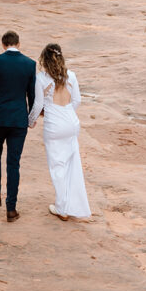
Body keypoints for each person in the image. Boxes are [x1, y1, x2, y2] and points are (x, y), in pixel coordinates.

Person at [28, 42, 91, 221]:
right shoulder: (71, 75)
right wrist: (67, 112)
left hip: (54, 125)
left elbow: (38, 104)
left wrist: (31, 120)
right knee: (72, 164)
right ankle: (73, 205)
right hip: (71, 122)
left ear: (44, 60)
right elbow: (77, 100)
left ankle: (62, 208)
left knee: (57, 166)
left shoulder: (41, 78)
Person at [0, 30, 36, 222]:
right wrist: (31, 118)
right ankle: (11, 209)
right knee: (14, 163)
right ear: (18, 44)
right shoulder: (30, 64)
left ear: (3, 45)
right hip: (19, 120)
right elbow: (32, 96)